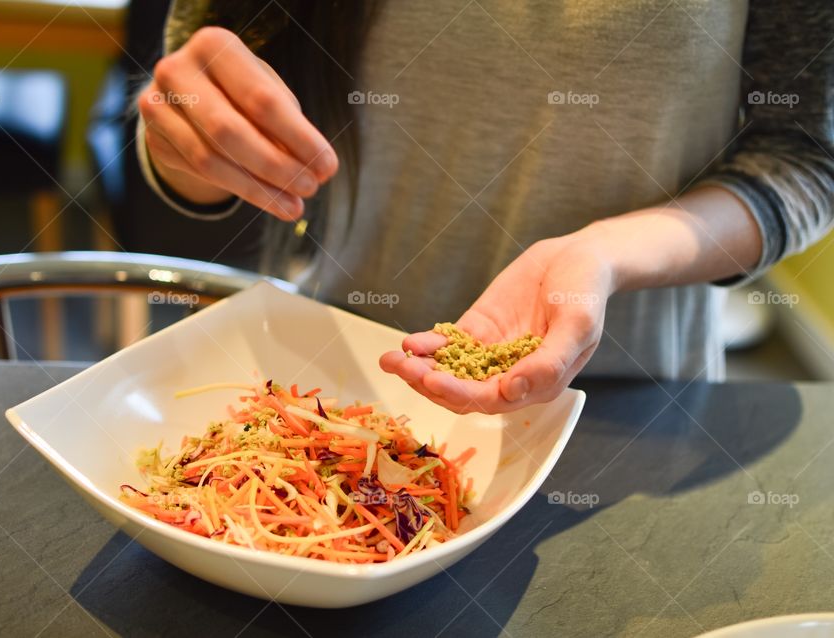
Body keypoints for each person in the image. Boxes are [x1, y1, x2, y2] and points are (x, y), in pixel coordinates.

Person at [136, 1, 834, 414]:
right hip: (332, 391)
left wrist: (600, 257)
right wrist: (184, 140)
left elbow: (804, 161)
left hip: (634, 411)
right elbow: (196, 131)